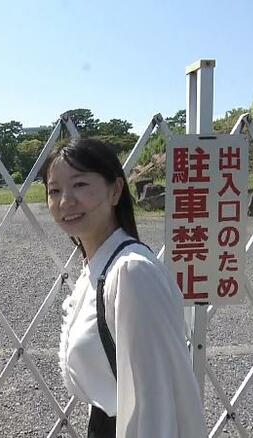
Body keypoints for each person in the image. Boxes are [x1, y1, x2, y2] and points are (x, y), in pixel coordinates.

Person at [42, 138, 206, 437]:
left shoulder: (131, 272)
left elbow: (157, 403)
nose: (65, 201)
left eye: (80, 185)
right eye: (54, 191)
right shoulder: (99, 267)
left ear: (115, 190)